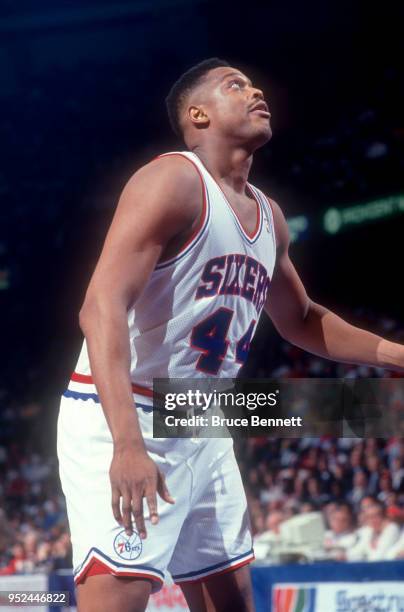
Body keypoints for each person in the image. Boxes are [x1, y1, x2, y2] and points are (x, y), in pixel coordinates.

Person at [57, 58, 404, 612]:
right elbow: (99, 307)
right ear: (197, 114)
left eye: (253, 82)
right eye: (234, 85)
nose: (255, 89)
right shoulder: (171, 180)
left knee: (233, 600)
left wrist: (395, 355)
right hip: (125, 410)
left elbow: (302, 318)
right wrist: (126, 443)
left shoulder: (270, 215)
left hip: (201, 414)